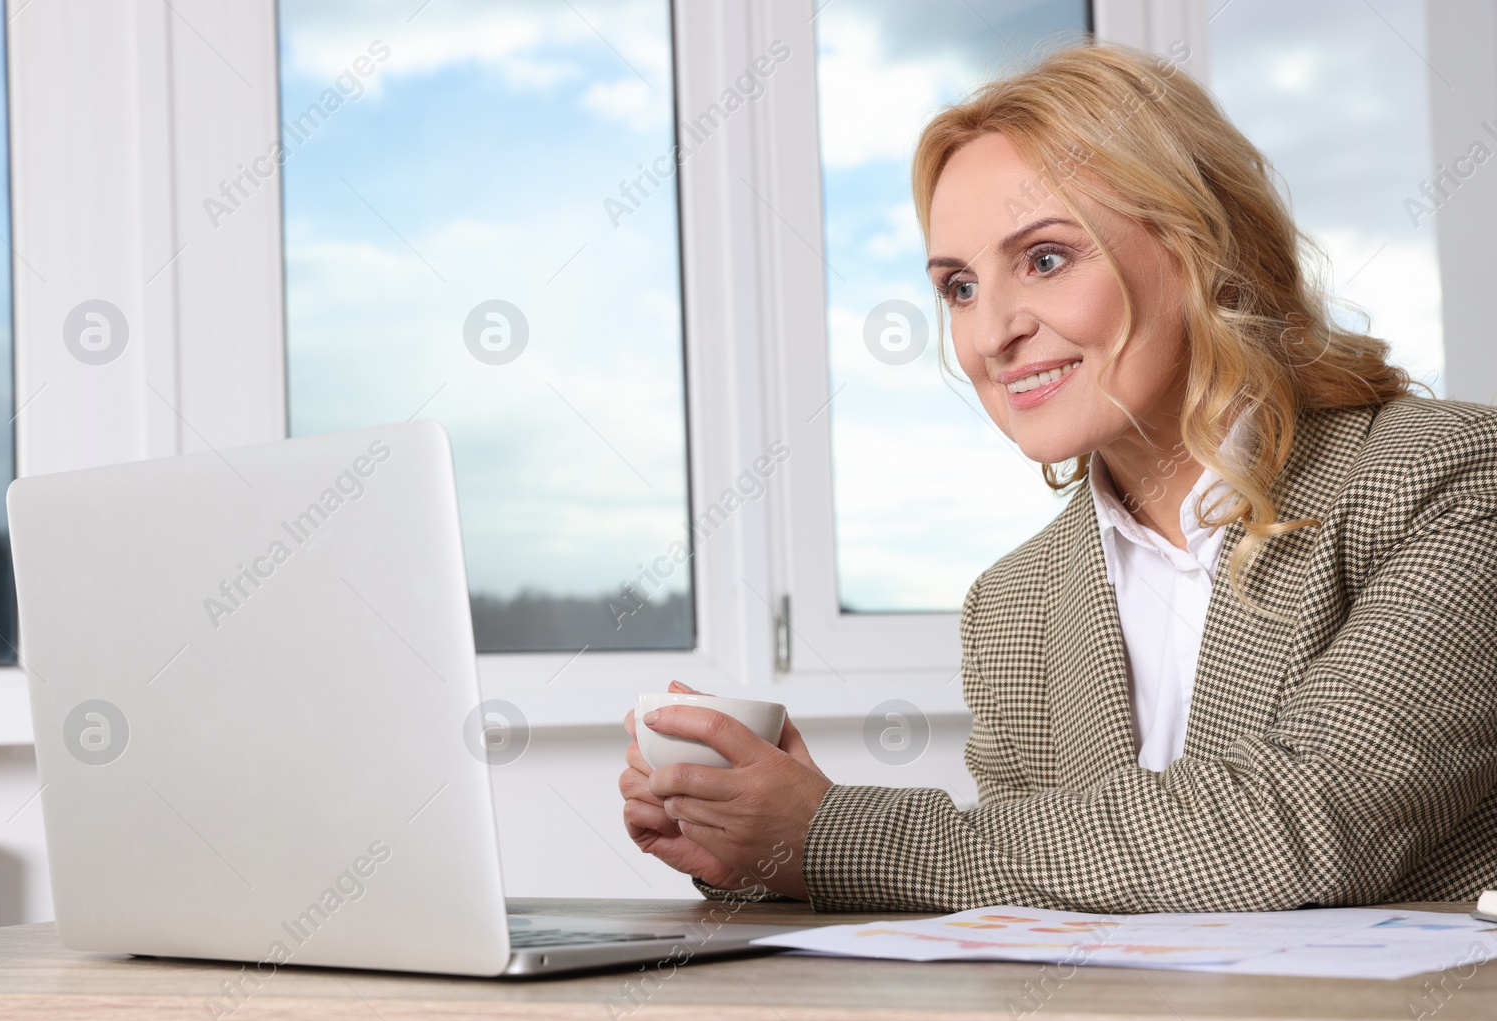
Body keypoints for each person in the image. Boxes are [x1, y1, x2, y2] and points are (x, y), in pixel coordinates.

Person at [618, 40, 1497, 913]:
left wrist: (830, 834)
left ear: (1200, 246)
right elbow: (1026, 886)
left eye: (1043, 259)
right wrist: (759, 838)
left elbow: (1299, 828)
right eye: (958, 286)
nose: (990, 333)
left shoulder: (1447, 480)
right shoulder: (1012, 609)